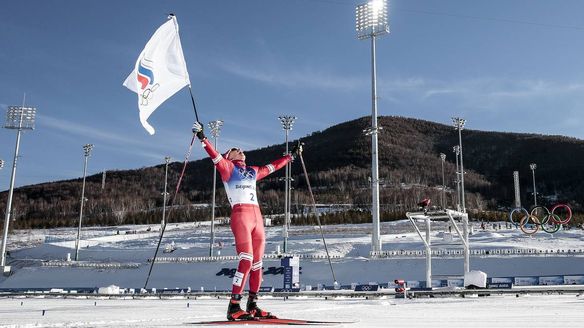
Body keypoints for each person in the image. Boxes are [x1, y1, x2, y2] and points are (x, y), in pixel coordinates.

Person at [192, 121, 303, 321]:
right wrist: (202, 137)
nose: (241, 150)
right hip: (241, 216)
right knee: (246, 260)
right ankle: (234, 305)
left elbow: (273, 167)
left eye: (241, 148)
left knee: (258, 264)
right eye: (235, 149)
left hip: (257, 218)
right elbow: (214, 156)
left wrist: (291, 155)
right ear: (229, 156)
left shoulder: (252, 170)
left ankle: (252, 305)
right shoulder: (227, 168)